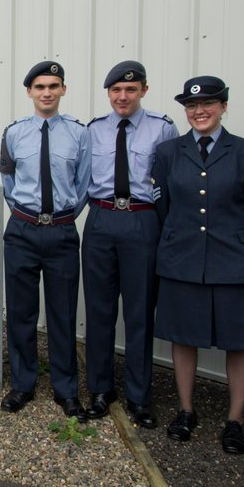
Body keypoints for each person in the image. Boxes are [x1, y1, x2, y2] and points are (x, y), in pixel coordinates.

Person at [151, 76, 244, 454]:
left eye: (208, 104)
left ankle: (236, 418)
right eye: (191, 106)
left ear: (223, 106)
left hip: (235, 259)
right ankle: (186, 409)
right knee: (184, 335)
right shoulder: (168, 152)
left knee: (240, 339)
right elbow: (163, 204)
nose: (199, 111)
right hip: (184, 257)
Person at [82, 61, 179, 428]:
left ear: (144, 90)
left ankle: (139, 397)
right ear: (109, 93)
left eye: (131, 89)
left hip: (142, 220)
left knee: (139, 312)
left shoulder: (163, 128)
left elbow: (171, 180)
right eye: (116, 90)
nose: (123, 96)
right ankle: (100, 389)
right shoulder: (93, 130)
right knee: (99, 309)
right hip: (101, 219)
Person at [0, 60, 91, 418]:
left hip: (62, 232)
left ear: (63, 89)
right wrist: (29, 215)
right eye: (40, 87)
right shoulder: (13, 133)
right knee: (20, 312)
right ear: (29, 92)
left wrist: (61, 218)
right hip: (22, 230)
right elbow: (9, 182)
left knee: (62, 313)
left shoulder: (79, 134)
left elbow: (83, 184)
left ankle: (66, 389)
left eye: (53, 86)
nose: (47, 92)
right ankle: (23, 384)